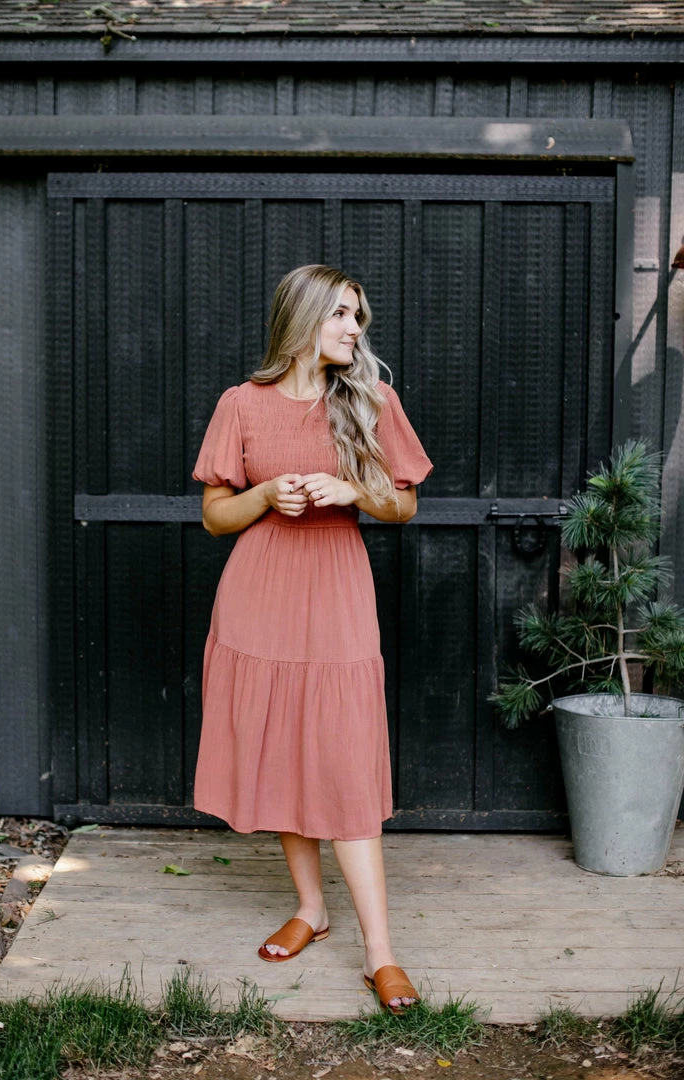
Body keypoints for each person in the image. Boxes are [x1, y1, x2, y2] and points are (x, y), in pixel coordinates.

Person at [192, 264, 433, 1014]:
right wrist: (264, 494)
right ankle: (311, 909)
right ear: (302, 321)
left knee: (344, 761)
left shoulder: (370, 398)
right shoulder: (242, 404)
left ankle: (381, 954)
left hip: (334, 592)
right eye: (340, 315)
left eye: (359, 316)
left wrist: (354, 490)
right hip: (258, 596)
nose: (355, 329)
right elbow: (213, 516)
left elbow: (407, 505)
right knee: (284, 751)